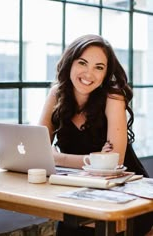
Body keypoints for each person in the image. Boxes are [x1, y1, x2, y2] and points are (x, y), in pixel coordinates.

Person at [38, 34, 153, 236]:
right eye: (82, 63)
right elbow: (38, 150)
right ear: (70, 63)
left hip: (126, 193)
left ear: (106, 73)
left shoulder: (113, 97)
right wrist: (91, 159)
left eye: (99, 67)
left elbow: (113, 161)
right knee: (70, 228)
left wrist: (57, 158)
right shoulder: (57, 93)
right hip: (80, 190)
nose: (89, 73)